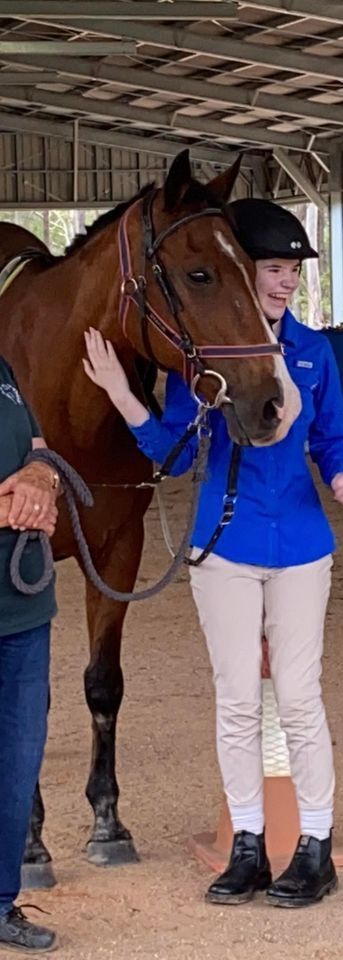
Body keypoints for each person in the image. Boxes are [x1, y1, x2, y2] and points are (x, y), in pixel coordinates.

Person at [83, 198, 343, 909]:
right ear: (245, 275)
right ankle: (246, 844)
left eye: (290, 273)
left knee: (298, 698)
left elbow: (329, 432)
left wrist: (340, 471)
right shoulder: (201, 363)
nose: (284, 283)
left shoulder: (313, 352)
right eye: (273, 270)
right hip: (224, 546)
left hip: (299, 544)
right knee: (236, 698)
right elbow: (174, 455)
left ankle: (315, 845)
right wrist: (120, 392)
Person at [0, 356, 60, 953]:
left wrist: (42, 481)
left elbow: (40, 450)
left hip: (23, 608)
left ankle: (0, 900)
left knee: (17, 763)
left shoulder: (5, 372)